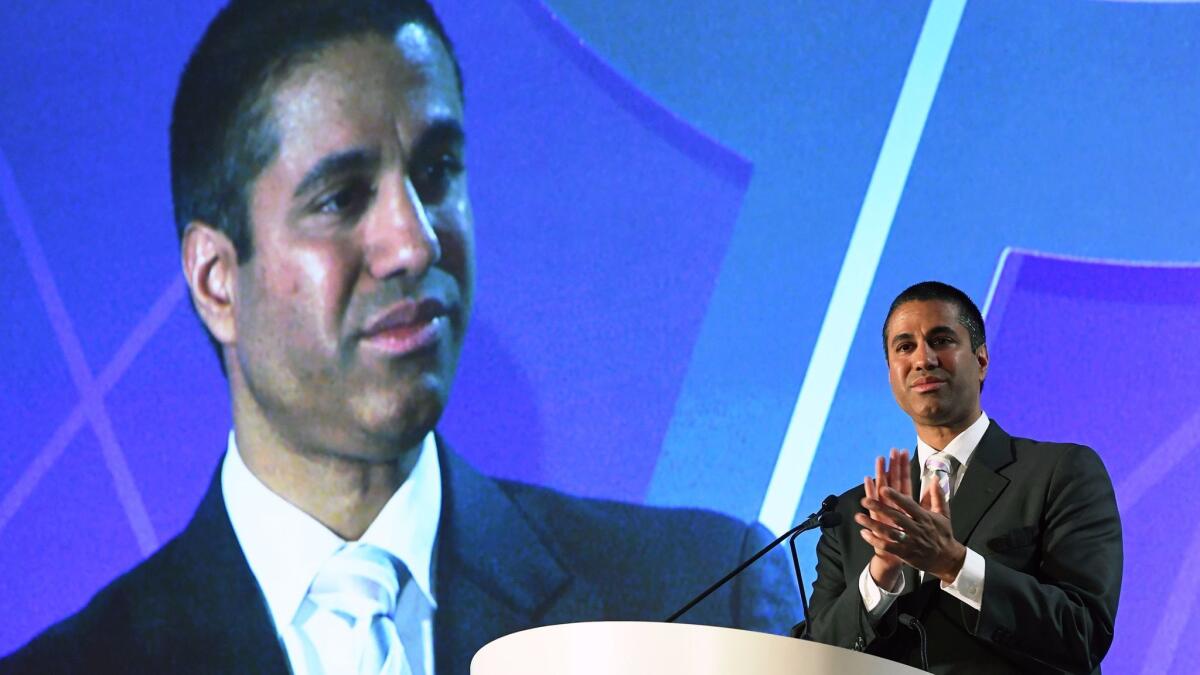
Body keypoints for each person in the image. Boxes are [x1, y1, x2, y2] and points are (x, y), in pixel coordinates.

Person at [0, 1, 796, 672]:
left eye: (437, 173)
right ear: (217, 281)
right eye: (342, 198)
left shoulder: (699, 602)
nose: (414, 243)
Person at [807, 281, 1122, 674]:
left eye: (941, 340)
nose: (923, 359)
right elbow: (813, 658)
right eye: (904, 347)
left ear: (982, 360)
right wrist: (880, 576)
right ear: (891, 372)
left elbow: (1083, 633)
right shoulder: (853, 513)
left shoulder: (1060, 472)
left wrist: (954, 564)